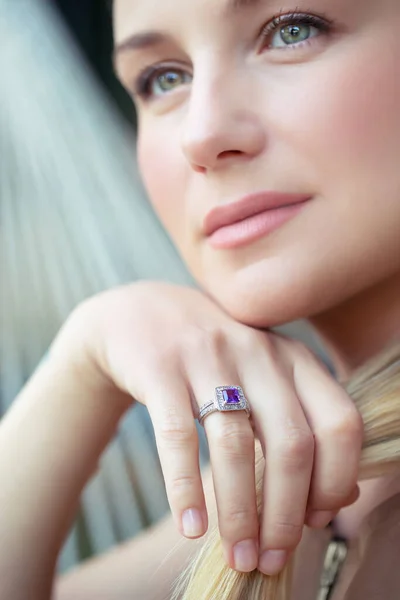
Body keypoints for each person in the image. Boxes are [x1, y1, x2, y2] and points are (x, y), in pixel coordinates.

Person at [1, 0, 400, 598]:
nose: (202, 134)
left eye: (292, 31)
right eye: (164, 78)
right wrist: (84, 363)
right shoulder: (279, 507)